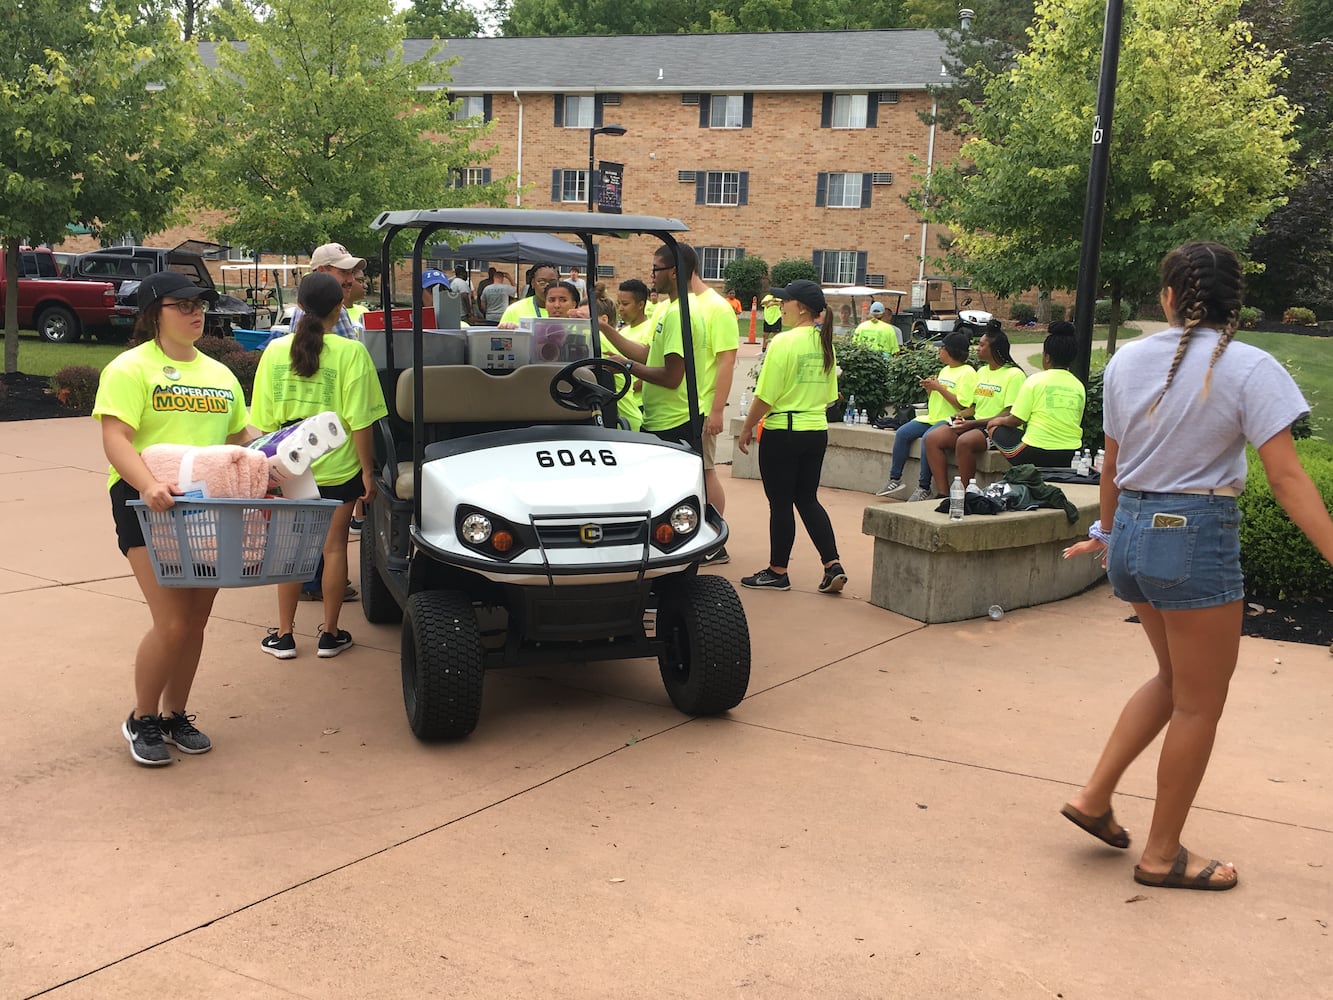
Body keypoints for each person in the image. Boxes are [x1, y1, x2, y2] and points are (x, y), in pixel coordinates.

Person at [1061, 241, 1333, 892]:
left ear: (1166, 298)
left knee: (1169, 679)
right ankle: (1161, 855)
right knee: (1198, 708)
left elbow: (1111, 464)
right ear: (1235, 304)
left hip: (1129, 536)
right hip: (1192, 538)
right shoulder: (1250, 366)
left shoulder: (1127, 361)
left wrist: (1104, 530)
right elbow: (1287, 480)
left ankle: (1094, 798)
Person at [93, 272, 253, 766]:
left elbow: (241, 436)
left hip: (208, 507)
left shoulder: (220, 374)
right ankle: (141, 718)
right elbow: (116, 437)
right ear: (153, 314)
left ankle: (174, 715)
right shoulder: (130, 368)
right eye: (181, 305)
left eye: (200, 304)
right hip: (147, 502)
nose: (195, 312)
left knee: (197, 622)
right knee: (172, 622)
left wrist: (279, 453)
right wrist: (147, 484)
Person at [252, 272, 388, 660]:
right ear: (339, 306)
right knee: (333, 549)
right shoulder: (351, 352)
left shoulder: (275, 351)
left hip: (289, 467)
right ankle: (330, 634)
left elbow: (263, 421)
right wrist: (367, 471)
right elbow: (360, 420)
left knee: (289, 551)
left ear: (298, 306)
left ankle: (284, 635)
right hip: (338, 467)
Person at [736, 280, 846, 595]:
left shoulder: (784, 343)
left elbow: (766, 395)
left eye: (785, 302)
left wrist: (747, 427)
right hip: (815, 430)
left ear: (800, 307)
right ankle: (832, 564)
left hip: (783, 431)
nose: (781, 306)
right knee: (808, 499)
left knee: (781, 503)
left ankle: (777, 571)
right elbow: (830, 396)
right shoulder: (825, 343)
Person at [600, 245, 708, 448]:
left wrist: (628, 367)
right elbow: (649, 355)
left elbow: (672, 377)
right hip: (666, 419)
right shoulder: (673, 308)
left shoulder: (679, 313)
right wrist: (605, 329)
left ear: (674, 271)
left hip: (673, 421)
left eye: (656, 269)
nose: (652, 275)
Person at [875, 332, 978, 501]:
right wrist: (930, 389)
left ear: (951, 351)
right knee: (902, 433)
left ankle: (924, 487)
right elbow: (936, 399)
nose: (939, 351)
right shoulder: (945, 370)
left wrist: (939, 388)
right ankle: (894, 479)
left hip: (948, 419)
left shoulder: (968, 373)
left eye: (942, 348)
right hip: (932, 417)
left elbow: (963, 405)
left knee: (928, 439)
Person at [922, 324, 1026, 489]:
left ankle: (964, 494)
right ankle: (943, 493)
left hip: (998, 428)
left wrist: (973, 424)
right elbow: (974, 407)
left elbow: (1009, 413)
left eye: (982, 345)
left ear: (995, 349)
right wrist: (960, 417)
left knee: (964, 442)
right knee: (932, 439)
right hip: (974, 423)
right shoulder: (982, 371)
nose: (977, 348)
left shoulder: (1014, 375)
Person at [984, 322, 1084, 469]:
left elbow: (1016, 420)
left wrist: (997, 421)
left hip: (1035, 452)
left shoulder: (1035, 381)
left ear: (1047, 357)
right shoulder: (1079, 386)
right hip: (1071, 453)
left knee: (994, 429)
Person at [293, 242, 367, 341]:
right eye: (343, 272)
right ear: (321, 271)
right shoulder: (335, 309)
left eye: (352, 272)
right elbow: (350, 352)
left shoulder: (302, 306)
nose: (351, 280)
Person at [499, 262, 559, 327]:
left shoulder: (567, 311)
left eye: (553, 282)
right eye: (541, 282)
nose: (547, 286)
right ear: (533, 283)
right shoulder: (514, 310)